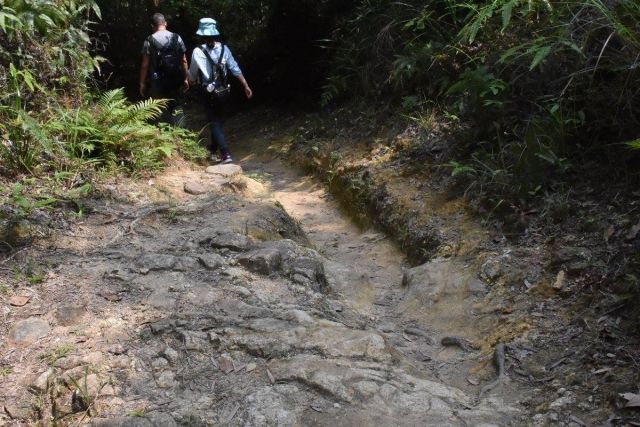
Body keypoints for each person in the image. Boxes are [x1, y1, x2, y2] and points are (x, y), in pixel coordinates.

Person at [188, 17, 253, 164]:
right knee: (216, 120)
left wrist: (189, 82)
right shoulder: (224, 48)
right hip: (224, 92)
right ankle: (212, 148)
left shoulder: (197, 51)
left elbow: (192, 73)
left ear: (202, 35)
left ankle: (225, 154)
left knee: (214, 122)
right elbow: (235, 69)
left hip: (208, 92)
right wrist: (246, 86)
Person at [139, 13, 189, 124]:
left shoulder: (149, 41)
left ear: (152, 26)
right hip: (176, 79)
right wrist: (186, 78)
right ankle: (182, 135)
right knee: (177, 106)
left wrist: (142, 83)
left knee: (159, 108)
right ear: (165, 23)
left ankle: (164, 135)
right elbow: (184, 60)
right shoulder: (177, 38)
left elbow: (145, 65)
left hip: (157, 81)